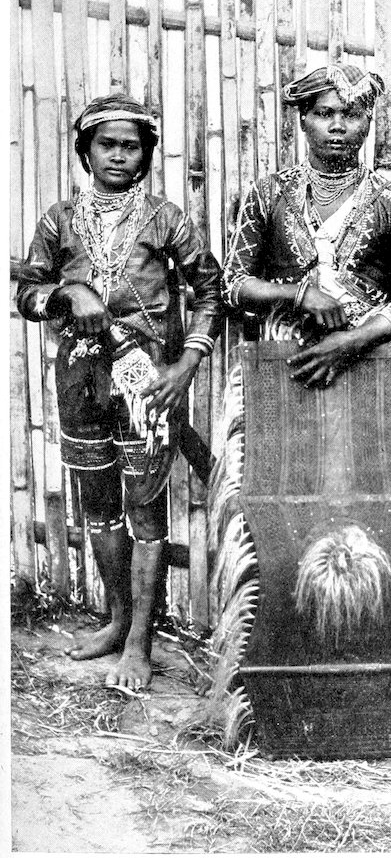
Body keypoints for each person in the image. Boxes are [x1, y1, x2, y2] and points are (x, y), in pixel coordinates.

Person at [17, 94, 223, 690]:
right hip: (80, 378)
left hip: (149, 383)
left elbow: (210, 292)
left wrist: (186, 364)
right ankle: (117, 621)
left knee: (144, 510)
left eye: (130, 146)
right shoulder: (59, 220)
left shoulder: (166, 219)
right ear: (85, 151)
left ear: (147, 156)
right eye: (105, 144)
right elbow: (27, 293)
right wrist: (67, 293)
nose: (117, 155)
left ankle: (140, 643)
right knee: (100, 505)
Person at [221, 63, 391, 378]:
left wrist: (352, 341)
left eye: (351, 115)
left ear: (368, 123)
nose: (337, 126)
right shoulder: (268, 194)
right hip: (284, 356)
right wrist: (299, 294)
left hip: (372, 357)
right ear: (303, 120)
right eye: (324, 114)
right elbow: (232, 284)